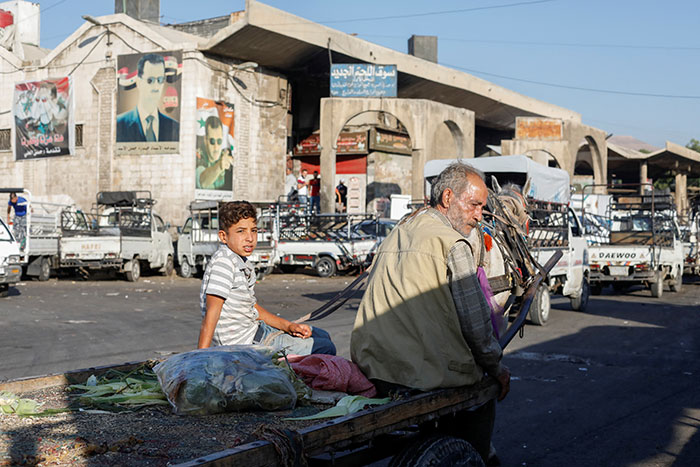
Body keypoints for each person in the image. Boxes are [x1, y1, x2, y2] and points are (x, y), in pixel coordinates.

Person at [350, 162, 510, 464]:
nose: (479, 216)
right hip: (418, 373)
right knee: (484, 393)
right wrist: (496, 367)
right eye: (474, 205)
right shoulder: (453, 243)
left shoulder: (398, 231)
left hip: (373, 364)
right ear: (448, 198)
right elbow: (476, 324)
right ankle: (476, 456)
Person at [198, 201, 336, 355]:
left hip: (259, 331)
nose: (250, 238)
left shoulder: (241, 262)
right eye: (241, 231)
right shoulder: (223, 262)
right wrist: (199, 358)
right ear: (224, 236)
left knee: (321, 336)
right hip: (247, 344)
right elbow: (212, 312)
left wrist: (288, 326)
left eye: (254, 230)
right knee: (325, 348)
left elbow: (252, 308)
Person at [116, 53, 179, 142]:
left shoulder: (174, 126)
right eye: (150, 80)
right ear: (139, 82)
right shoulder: (119, 123)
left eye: (160, 80)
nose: (156, 87)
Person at [196, 116, 233, 190]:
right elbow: (202, 181)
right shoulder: (198, 155)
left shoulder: (226, 154)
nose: (216, 147)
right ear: (205, 140)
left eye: (219, 141)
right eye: (212, 141)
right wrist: (219, 166)